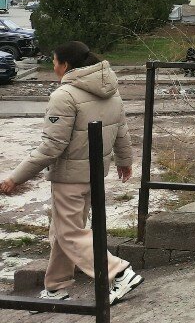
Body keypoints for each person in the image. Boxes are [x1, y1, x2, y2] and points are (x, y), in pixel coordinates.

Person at [0, 41, 144, 305]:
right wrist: (125, 161)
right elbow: (121, 130)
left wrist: (14, 177)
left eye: (54, 62)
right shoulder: (110, 90)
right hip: (95, 175)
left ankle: (119, 272)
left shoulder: (64, 96)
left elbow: (51, 146)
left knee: (69, 234)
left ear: (66, 65)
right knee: (64, 231)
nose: (53, 67)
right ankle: (55, 287)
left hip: (69, 178)